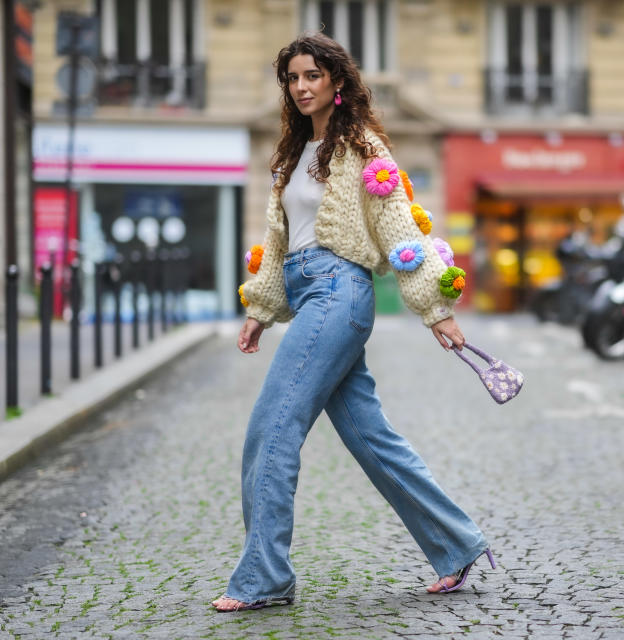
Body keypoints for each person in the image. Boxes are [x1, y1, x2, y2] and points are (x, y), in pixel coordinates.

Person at [212, 32, 494, 612]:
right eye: (292, 78)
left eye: (312, 75)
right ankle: (455, 544)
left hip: (340, 293)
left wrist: (435, 311)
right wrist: (260, 312)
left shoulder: (362, 147)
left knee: (273, 427)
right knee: (371, 436)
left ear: (337, 80)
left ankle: (265, 577)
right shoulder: (292, 154)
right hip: (309, 291)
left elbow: (398, 231)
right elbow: (279, 240)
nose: (301, 87)